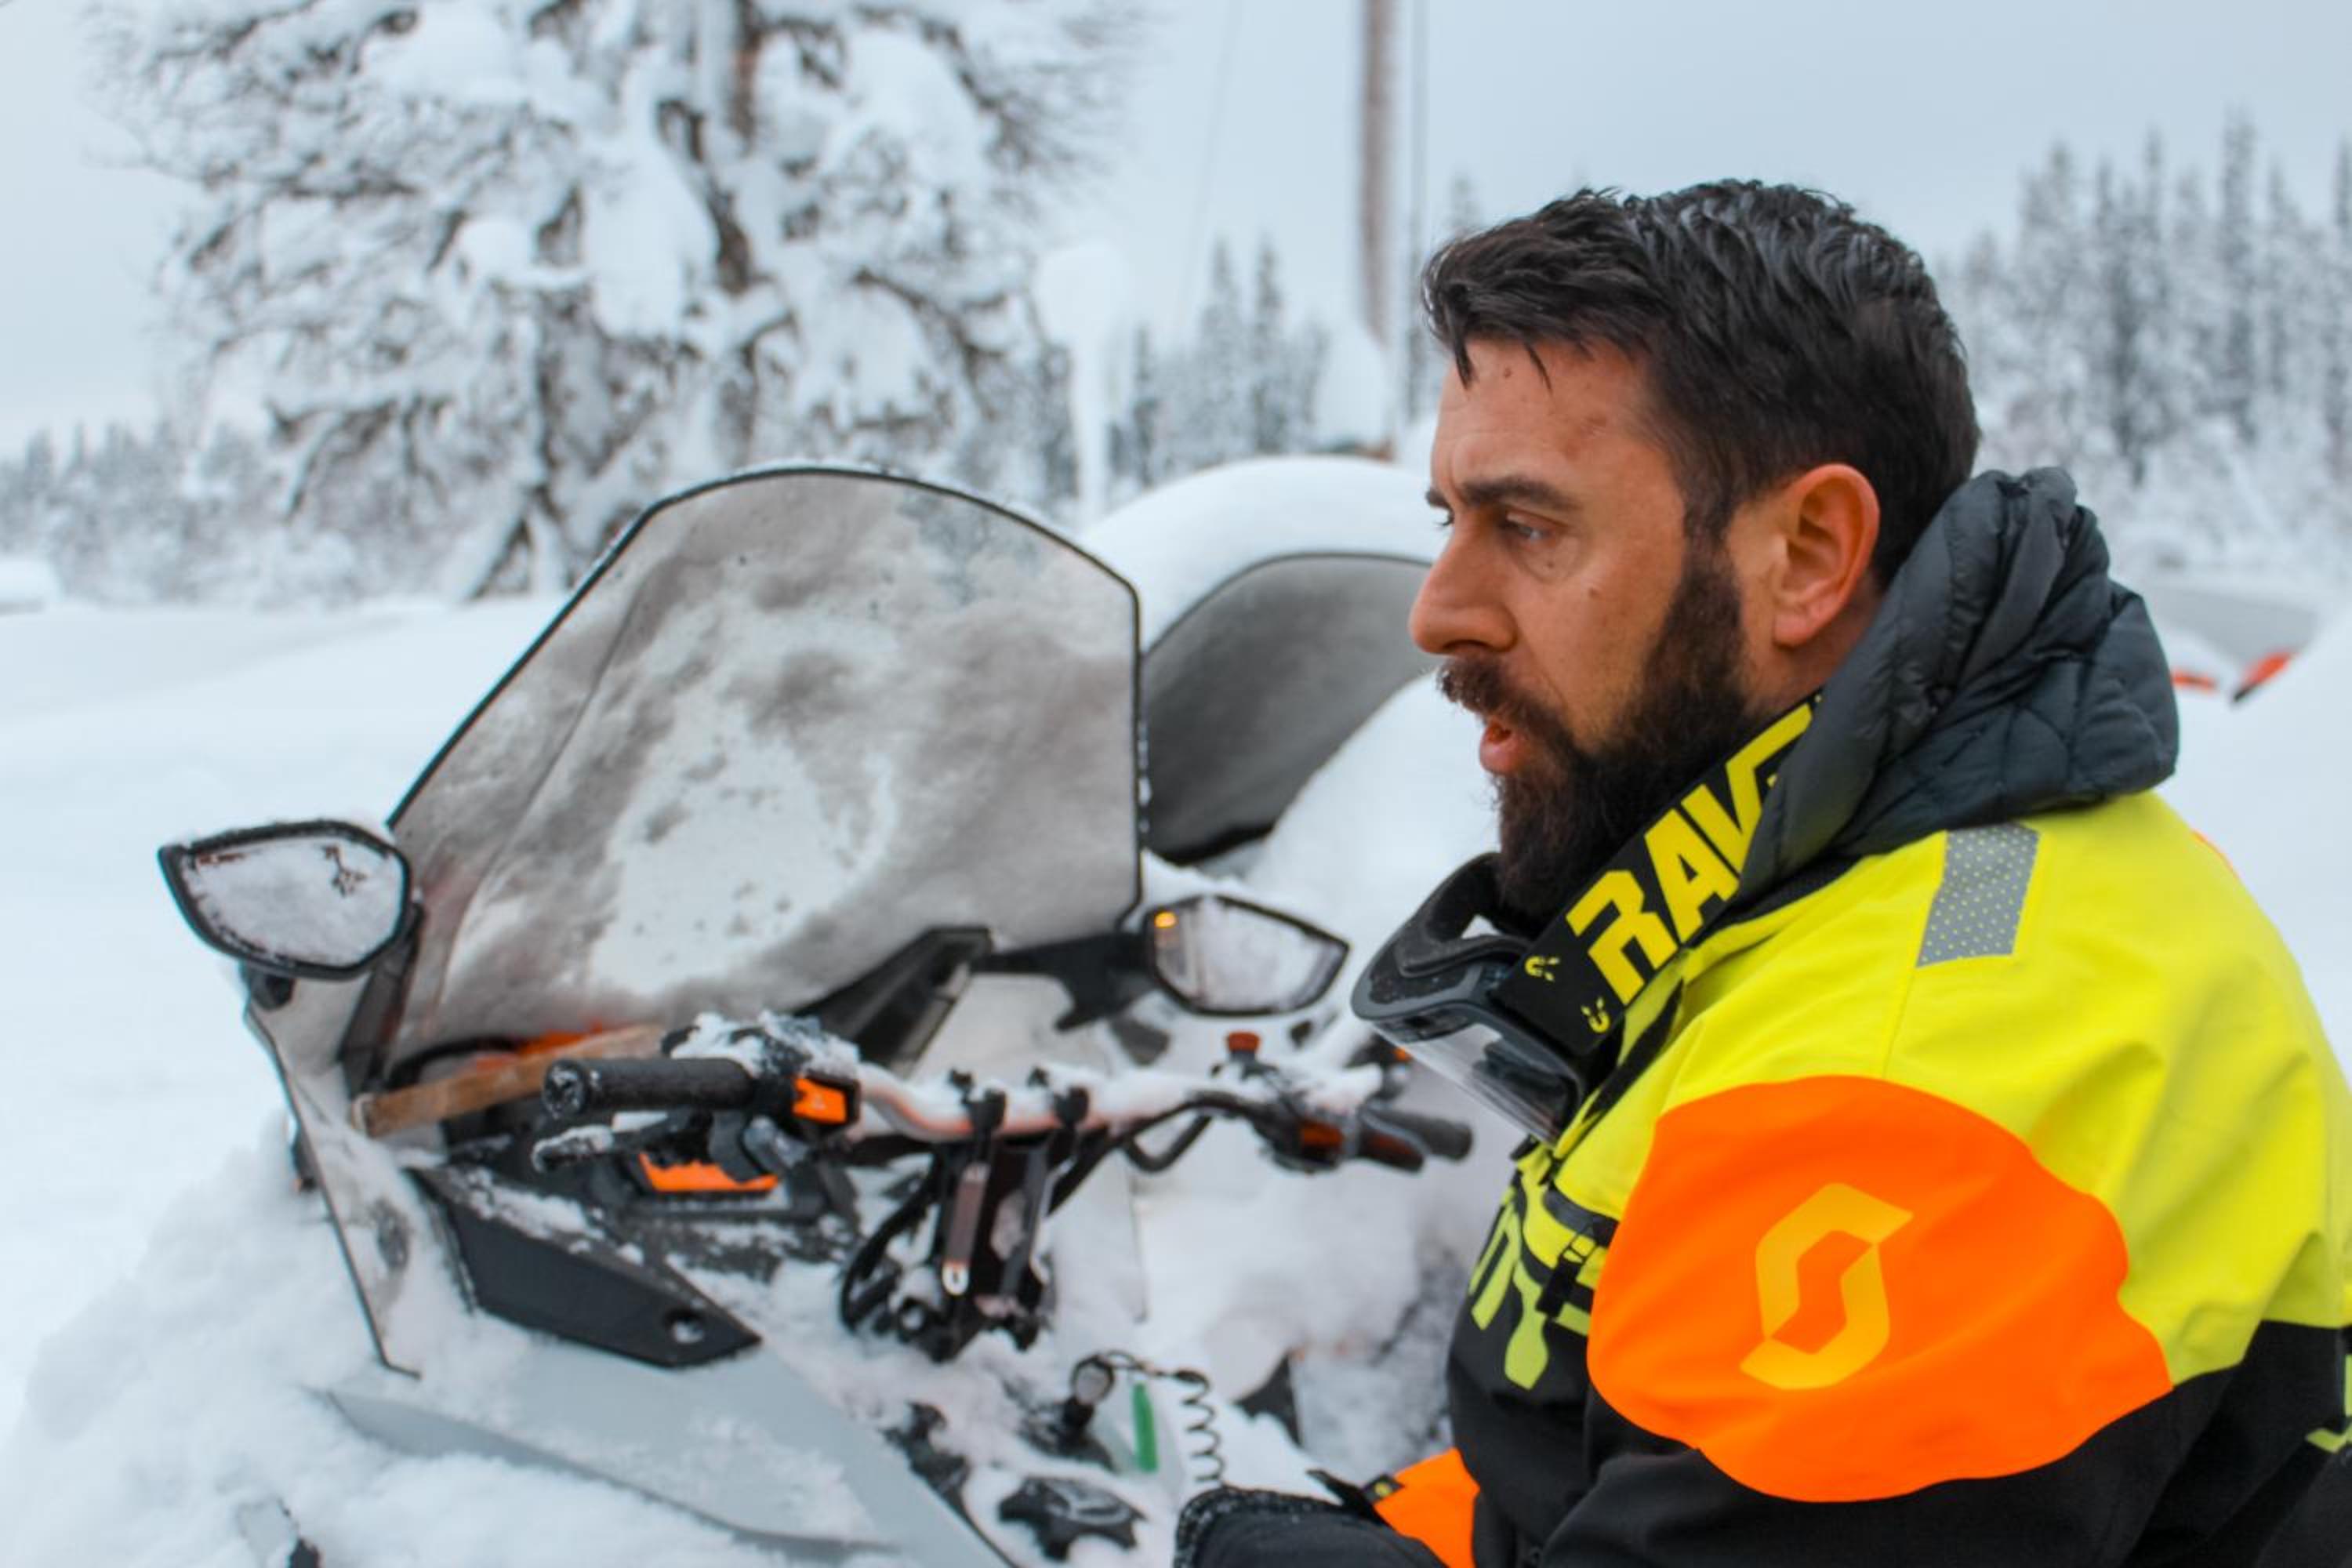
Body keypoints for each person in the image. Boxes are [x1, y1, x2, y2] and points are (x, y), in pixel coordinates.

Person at [1176, 183, 2352, 1566]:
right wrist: (1406, 1531)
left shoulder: (1941, 1068)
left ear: (1807, 558)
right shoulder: (1827, 886)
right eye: (1450, 520)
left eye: (1530, 526)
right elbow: (1661, 1430)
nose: (1439, 609)